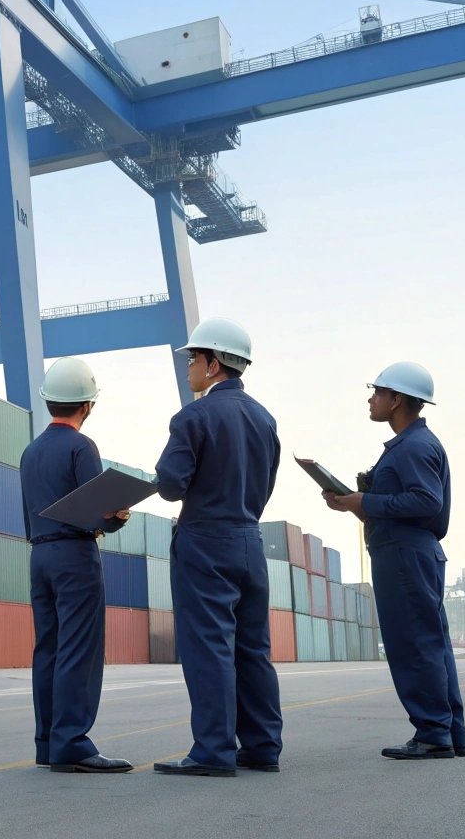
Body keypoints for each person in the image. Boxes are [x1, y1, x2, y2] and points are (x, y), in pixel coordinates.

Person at [151, 318, 284, 778]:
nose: (189, 367)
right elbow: (265, 484)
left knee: (208, 647)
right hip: (250, 538)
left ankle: (212, 750)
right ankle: (263, 747)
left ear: (212, 364)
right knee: (252, 649)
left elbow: (170, 485)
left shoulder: (193, 416)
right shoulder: (265, 419)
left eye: (193, 358)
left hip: (205, 541)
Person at [321, 362, 465, 760]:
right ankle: (449, 733)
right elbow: (406, 506)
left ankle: (433, 734)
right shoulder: (414, 445)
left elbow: (426, 501)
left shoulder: (414, 447)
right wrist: (352, 504)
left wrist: (365, 500)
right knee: (431, 644)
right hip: (410, 551)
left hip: (405, 556)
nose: (371, 398)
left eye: (377, 391)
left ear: (397, 399)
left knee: (412, 645)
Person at [20, 356, 133, 774]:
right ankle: (73, 743)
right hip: (74, 555)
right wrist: (116, 516)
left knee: (47, 648)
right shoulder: (81, 447)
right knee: (79, 649)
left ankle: (48, 742)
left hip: (40, 555)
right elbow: (96, 511)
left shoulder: (30, 452)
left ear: (49, 401)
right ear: (88, 405)